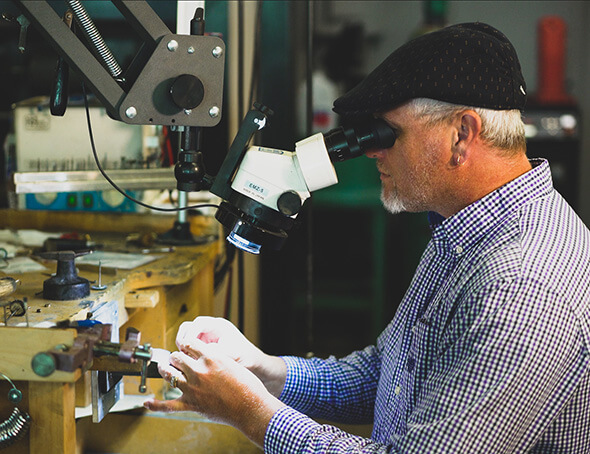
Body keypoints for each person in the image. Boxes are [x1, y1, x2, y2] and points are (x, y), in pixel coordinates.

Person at [144, 22, 590, 453]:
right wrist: (262, 369)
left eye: (387, 133)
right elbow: (392, 376)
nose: (373, 150)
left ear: (462, 134)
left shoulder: (521, 289)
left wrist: (249, 411)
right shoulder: (463, 231)